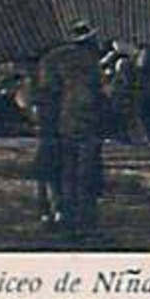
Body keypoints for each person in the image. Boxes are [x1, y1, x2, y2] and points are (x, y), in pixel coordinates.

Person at [34, 21, 105, 234]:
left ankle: (56, 210)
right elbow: (94, 93)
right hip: (83, 121)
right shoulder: (89, 61)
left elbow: (45, 90)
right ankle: (83, 214)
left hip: (55, 120)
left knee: (54, 166)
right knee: (84, 168)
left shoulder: (51, 58)